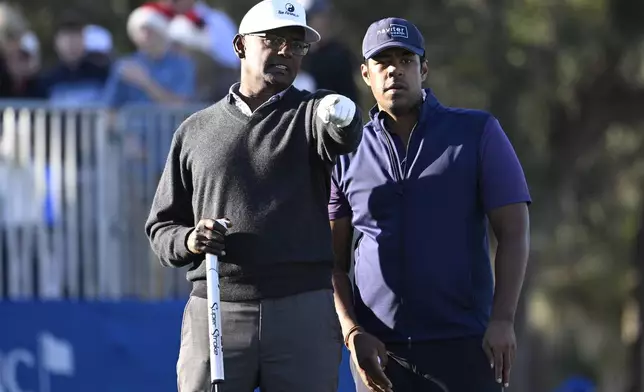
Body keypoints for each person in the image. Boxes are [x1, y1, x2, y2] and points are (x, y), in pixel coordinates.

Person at [144, 1, 363, 391]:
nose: (285, 53)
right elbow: (162, 228)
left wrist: (340, 111)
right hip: (216, 307)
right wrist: (191, 239)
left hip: (303, 312)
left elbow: (342, 131)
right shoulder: (195, 130)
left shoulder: (313, 113)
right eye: (274, 41)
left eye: (296, 46)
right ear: (240, 46)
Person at [329, 17, 532, 392]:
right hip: (382, 355)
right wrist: (352, 332)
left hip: (466, 346)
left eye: (405, 60)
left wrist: (503, 319)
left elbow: (514, 231)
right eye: (382, 61)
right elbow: (333, 261)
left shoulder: (476, 133)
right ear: (366, 74)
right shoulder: (346, 150)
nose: (394, 70)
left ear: (423, 68)